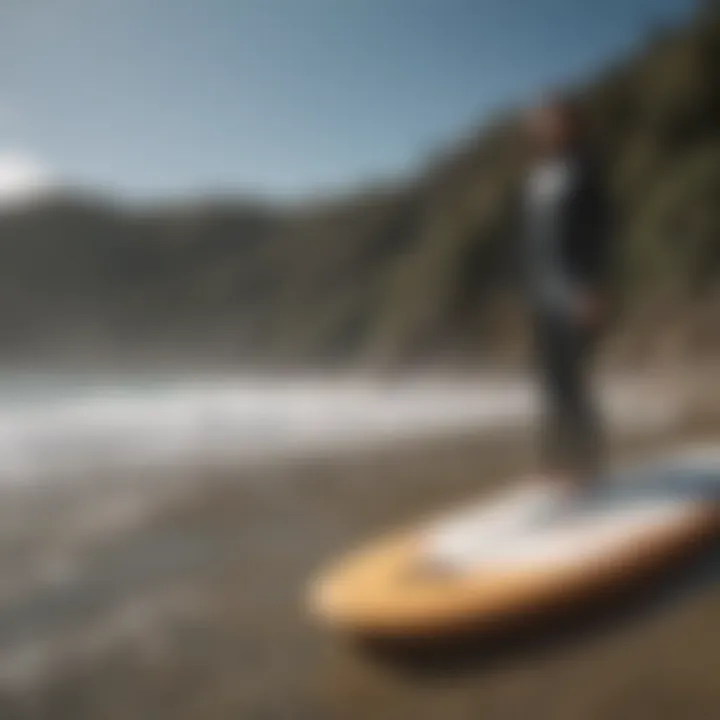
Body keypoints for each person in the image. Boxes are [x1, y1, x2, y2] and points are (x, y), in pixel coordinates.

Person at [519, 94, 613, 493]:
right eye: (542, 121)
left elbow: (600, 232)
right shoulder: (537, 176)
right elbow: (527, 239)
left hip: (575, 291)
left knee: (573, 381)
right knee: (548, 382)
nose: (546, 127)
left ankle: (587, 464)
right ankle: (554, 465)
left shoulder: (585, 171)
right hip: (541, 294)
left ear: (570, 125)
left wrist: (593, 287)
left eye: (554, 120)